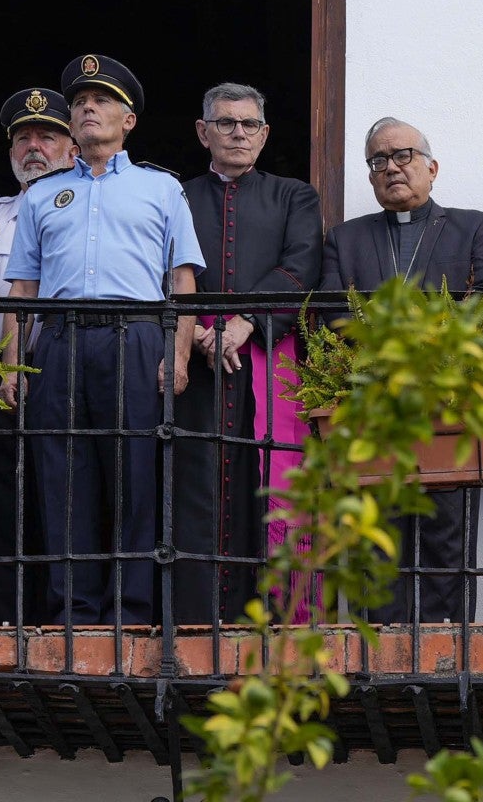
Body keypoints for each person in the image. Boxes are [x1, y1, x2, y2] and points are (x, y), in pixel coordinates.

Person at [5, 55, 202, 625]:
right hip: (60, 338)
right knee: (62, 475)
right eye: (80, 102)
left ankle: (130, 611)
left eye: (101, 101)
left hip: (134, 337)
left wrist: (178, 354)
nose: (88, 108)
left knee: (134, 474)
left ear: (128, 120)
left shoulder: (161, 188)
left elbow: (182, 280)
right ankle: (74, 610)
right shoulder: (43, 195)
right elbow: (23, 289)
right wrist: (13, 365)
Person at [321, 116, 483, 623]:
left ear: (432, 167)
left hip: (447, 406)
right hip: (372, 410)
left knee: (446, 537)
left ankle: (446, 648)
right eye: (378, 160)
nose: (391, 168)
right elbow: (331, 315)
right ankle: (378, 651)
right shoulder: (345, 238)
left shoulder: (473, 226)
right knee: (375, 538)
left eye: (403, 155)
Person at [179, 81, 320, 625]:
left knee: (268, 487)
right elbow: (167, 269)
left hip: (267, 358)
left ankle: (275, 623)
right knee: (197, 486)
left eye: (249, 124)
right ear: (203, 132)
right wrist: (199, 331)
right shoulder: (178, 195)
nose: (238, 133)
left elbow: (301, 267)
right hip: (196, 363)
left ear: (264, 135)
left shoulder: (294, 196)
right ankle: (198, 620)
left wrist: (245, 323)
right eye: (225, 123)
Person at [0, 87, 76, 625]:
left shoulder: (90, 211)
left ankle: (66, 620)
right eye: (24, 138)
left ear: (73, 147)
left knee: (66, 500)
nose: (34, 147)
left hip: (67, 374)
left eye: (48, 136)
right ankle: (8, 621)